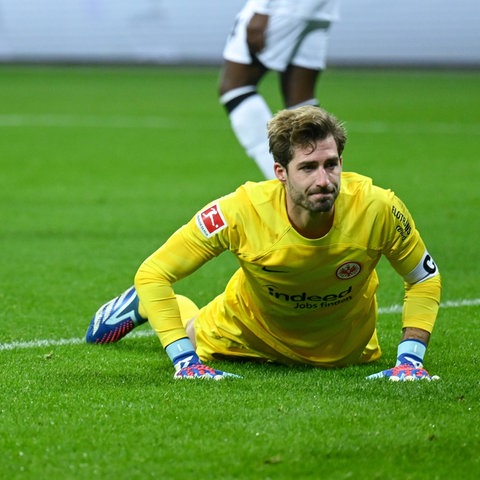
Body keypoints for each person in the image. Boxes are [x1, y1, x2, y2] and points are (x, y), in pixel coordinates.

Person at [86, 105, 442, 382]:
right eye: (308, 167)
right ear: (280, 173)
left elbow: (423, 277)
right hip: (242, 334)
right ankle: (148, 306)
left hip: (342, 351)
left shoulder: (378, 208)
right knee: (188, 327)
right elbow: (153, 273)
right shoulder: (240, 211)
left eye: (331, 165)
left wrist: (410, 361)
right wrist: (184, 361)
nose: (324, 180)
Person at [218, 0, 340, 179]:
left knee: (235, 87)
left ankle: (288, 184)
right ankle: (325, 186)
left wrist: (262, 7)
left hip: (283, 6)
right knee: (301, 103)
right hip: (321, 7)